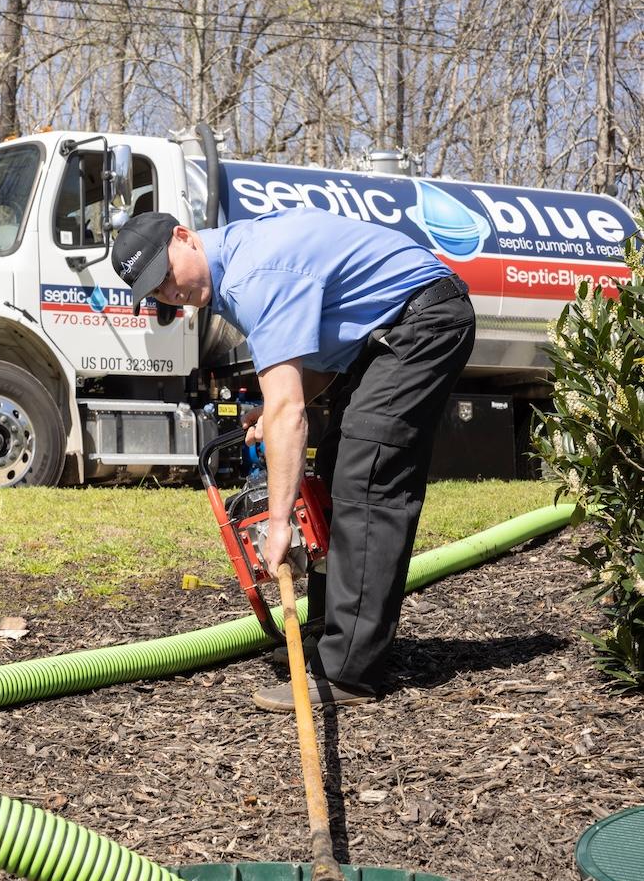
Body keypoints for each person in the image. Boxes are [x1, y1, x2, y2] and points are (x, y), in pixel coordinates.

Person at [111, 206, 476, 712]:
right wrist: (271, 404)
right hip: (389, 334)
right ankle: (331, 634)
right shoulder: (238, 265)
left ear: (184, 238)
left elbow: (291, 412)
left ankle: (349, 670)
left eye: (165, 276)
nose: (168, 294)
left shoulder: (253, 275)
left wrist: (279, 521)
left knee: (366, 473)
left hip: (424, 322)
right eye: (155, 292)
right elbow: (317, 367)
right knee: (337, 462)